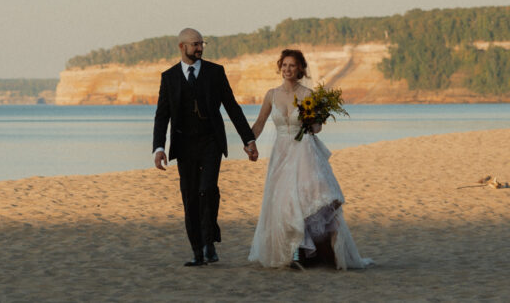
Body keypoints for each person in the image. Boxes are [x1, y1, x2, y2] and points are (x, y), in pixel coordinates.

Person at [247, 48, 371, 269]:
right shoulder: (271, 94)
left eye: (292, 66)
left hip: (304, 153)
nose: (287, 69)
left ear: (301, 69)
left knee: (303, 202)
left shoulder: (307, 95)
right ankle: (294, 255)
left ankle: (308, 254)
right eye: (284, 65)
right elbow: (259, 124)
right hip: (281, 155)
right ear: (280, 67)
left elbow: (316, 128)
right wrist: (249, 142)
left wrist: (312, 119)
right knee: (283, 203)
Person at [153, 28, 259, 266]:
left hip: (211, 141)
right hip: (183, 143)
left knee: (207, 189)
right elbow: (162, 116)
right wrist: (158, 147)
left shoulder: (215, 72)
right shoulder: (168, 77)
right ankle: (198, 252)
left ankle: (209, 239)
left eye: (202, 43)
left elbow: (232, 107)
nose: (200, 48)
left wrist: (248, 140)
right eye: (195, 44)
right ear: (182, 47)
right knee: (190, 196)